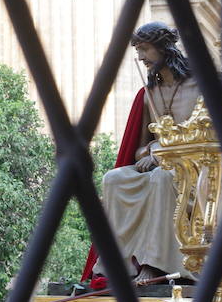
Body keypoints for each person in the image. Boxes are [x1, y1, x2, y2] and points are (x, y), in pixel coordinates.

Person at [84, 22, 201, 284]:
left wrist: (161, 153)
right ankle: (119, 264)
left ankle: (155, 264)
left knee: (163, 177)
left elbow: (207, 137)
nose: (140, 57)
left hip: (196, 171)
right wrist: (149, 151)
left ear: (164, 47)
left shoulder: (198, 88)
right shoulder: (149, 95)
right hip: (161, 168)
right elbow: (139, 149)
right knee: (113, 179)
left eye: (145, 49)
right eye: (137, 50)